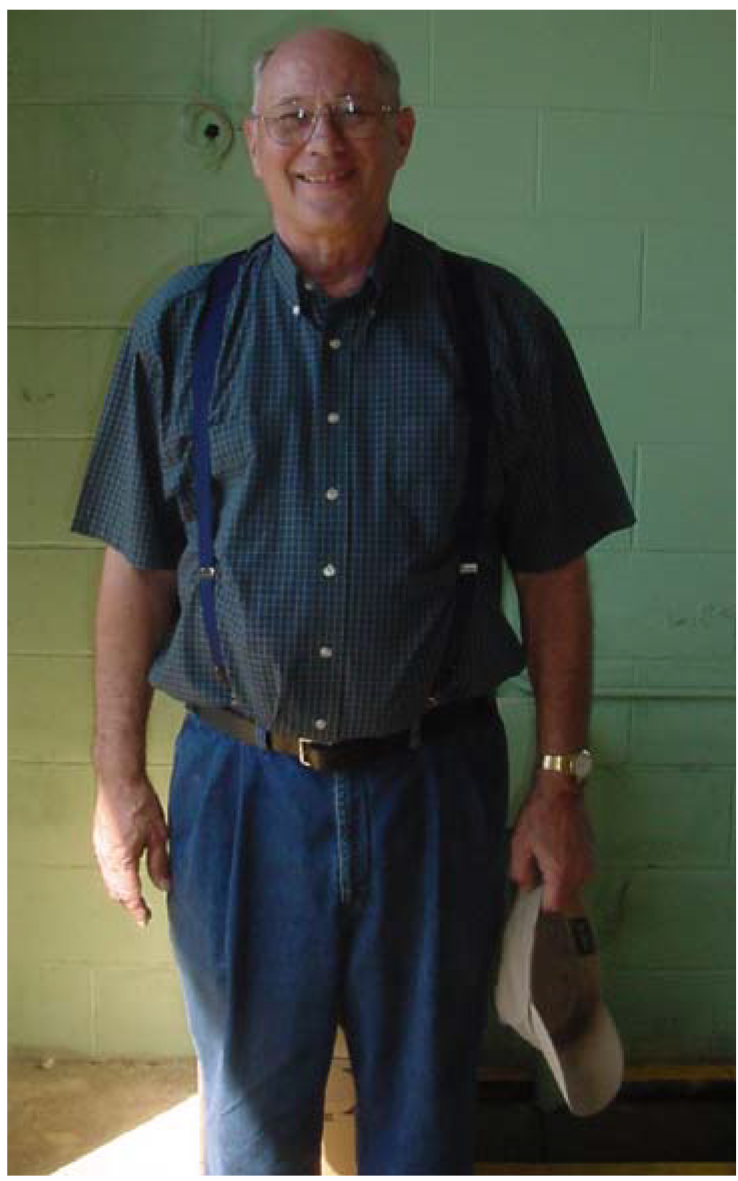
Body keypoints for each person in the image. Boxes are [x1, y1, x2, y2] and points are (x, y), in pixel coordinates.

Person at [72, 27, 635, 1177]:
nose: (321, 140)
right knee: (249, 1127)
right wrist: (119, 778)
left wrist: (560, 787)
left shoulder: (499, 328)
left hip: (436, 791)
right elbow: (138, 564)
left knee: (424, 1128)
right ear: (255, 145)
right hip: (237, 795)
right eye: (291, 116)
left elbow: (556, 573)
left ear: (402, 136)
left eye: (352, 113)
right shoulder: (183, 330)